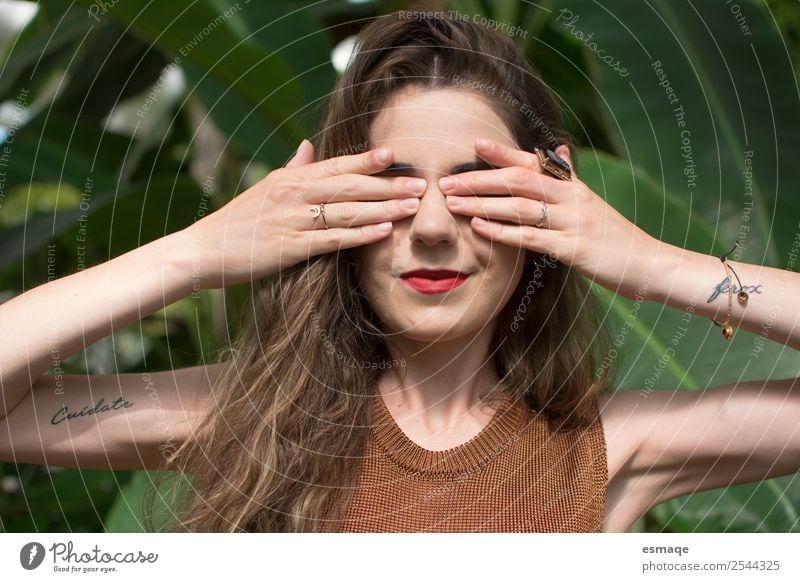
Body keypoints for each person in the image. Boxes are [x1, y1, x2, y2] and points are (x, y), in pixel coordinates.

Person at [1, 11, 798, 534]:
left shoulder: (604, 448)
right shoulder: (245, 416)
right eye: (392, 188)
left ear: (542, 227)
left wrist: (650, 264)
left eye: (474, 191)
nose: (430, 229)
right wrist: (197, 252)